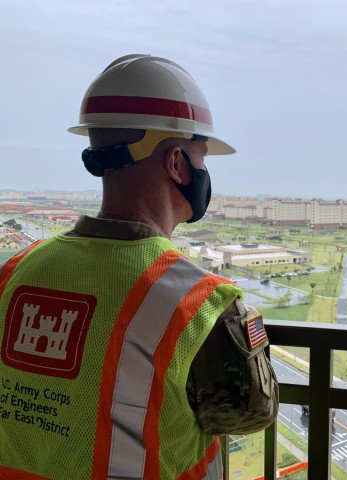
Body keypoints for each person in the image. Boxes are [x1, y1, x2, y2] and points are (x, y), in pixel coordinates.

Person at [0, 54, 277, 480]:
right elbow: (250, 415)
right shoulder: (198, 303)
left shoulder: (14, 271)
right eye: (202, 158)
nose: (204, 172)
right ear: (176, 162)